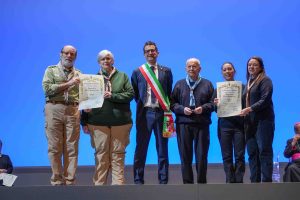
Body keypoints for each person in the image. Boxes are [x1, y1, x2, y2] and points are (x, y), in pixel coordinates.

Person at [81, 50, 134, 185]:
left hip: (120, 123)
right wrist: (83, 122)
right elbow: (85, 100)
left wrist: (113, 95)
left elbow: (130, 94)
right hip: (97, 123)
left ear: (113, 61)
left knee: (118, 155)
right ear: (99, 62)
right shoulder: (91, 79)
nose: (106, 61)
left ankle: (118, 187)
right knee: (101, 155)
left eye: (108, 58)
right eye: (103, 59)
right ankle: (99, 188)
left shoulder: (123, 76)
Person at [131, 41, 173, 184]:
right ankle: (138, 179)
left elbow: (168, 92)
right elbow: (136, 94)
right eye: (148, 51)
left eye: (153, 50)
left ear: (157, 53)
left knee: (162, 149)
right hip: (145, 114)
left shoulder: (166, 71)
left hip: (162, 114)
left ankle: (163, 180)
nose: (150, 53)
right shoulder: (138, 72)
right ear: (144, 54)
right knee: (141, 148)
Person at [42, 45, 81, 185]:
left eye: (72, 54)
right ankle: (57, 181)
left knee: (72, 147)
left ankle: (70, 181)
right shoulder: (51, 70)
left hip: (73, 110)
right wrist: (69, 83)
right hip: (54, 108)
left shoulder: (80, 74)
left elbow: (84, 95)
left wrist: (88, 105)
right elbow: (47, 89)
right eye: (66, 53)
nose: (69, 56)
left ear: (75, 57)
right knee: (54, 146)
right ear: (61, 54)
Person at [171, 58, 214, 184]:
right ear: (185, 68)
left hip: (202, 124)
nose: (191, 69)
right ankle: (187, 185)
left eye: (194, 66)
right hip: (183, 124)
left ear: (199, 69)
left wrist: (204, 108)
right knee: (185, 156)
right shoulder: (179, 84)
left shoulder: (207, 84)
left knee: (201, 156)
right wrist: (182, 109)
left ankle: (201, 184)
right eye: (189, 67)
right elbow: (172, 104)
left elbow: (213, 104)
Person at [240, 56, 275, 183]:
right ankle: (254, 182)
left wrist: (249, 109)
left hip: (263, 121)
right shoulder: (248, 82)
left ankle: (266, 182)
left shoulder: (265, 80)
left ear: (260, 67)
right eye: (249, 65)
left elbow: (265, 100)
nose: (251, 67)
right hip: (249, 123)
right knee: (252, 153)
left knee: (264, 151)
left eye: (254, 65)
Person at [213, 62, 245, 183]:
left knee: (239, 156)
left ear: (234, 71)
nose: (227, 71)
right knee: (226, 156)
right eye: (225, 69)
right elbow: (215, 109)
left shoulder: (242, 87)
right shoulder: (218, 89)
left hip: (239, 126)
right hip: (224, 126)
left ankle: (239, 181)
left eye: (229, 69)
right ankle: (230, 182)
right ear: (222, 72)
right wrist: (215, 104)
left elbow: (247, 105)